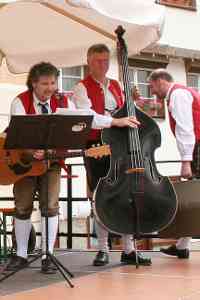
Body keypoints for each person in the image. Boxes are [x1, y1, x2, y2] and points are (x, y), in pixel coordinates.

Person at [5, 62, 140, 274]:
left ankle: (47, 255)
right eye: (44, 84)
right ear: (33, 83)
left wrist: (116, 122)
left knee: (50, 207)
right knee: (22, 207)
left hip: (52, 162)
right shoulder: (19, 102)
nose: (50, 88)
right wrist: (31, 151)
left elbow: (87, 118)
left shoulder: (63, 100)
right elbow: (18, 133)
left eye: (52, 82)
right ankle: (21, 254)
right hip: (24, 164)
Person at [72, 43, 152, 267]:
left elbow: (123, 113)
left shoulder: (116, 85)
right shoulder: (81, 87)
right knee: (101, 196)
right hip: (96, 146)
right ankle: (103, 249)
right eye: (99, 60)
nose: (104, 64)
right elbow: (89, 117)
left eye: (107, 60)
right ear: (89, 61)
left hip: (120, 146)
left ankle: (128, 249)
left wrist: (131, 103)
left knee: (126, 195)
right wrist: (116, 121)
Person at [148, 68, 200, 259]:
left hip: (197, 147)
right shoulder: (179, 93)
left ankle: (181, 245)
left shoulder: (177, 95)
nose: (152, 91)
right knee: (196, 197)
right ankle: (182, 245)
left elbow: (186, 129)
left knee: (197, 196)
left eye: (152, 86)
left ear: (161, 81)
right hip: (196, 146)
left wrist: (186, 161)